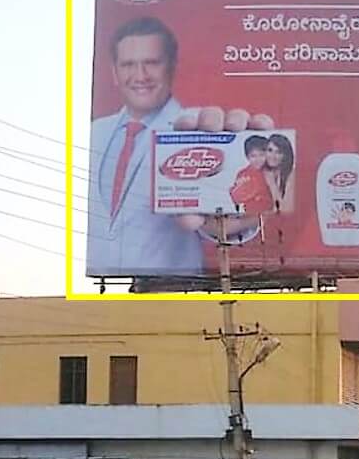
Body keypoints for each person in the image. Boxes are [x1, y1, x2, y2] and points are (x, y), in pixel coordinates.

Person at [87, 15, 275, 276]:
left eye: (151, 63)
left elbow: (220, 222)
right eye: (128, 64)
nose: (139, 76)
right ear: (114, 72)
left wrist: (228, 218)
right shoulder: (96, 133)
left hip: (177, 291)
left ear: (172, 66)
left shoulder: (199, 130)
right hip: (112, 296)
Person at [228, 135, 275, 216]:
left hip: (271, 212)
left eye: (261, 155)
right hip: (251, 214)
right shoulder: (244, 174)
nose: (258, 159)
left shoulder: (272, 170)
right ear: (247, 157)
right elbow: (236, 197)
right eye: (253, 156)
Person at [263, 133, 296, 212]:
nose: (273, 156)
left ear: (285, 155)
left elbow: (285, 210)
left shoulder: (292, 174)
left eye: (278, 152)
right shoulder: (263, 171)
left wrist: (272, 184)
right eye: (270, 150)